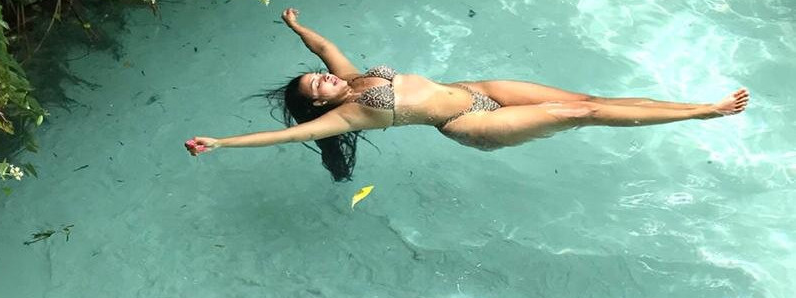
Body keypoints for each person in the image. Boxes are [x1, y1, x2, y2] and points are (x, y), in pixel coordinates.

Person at [185, 8, 749, 181]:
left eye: (320, 75)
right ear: (321, 107)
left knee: (587, 94)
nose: (326, 78)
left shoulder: (353, 78)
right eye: (318, 87)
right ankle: (702, 111)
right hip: (469, 125)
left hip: (476, 91)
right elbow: (285, 134)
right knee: (585, 112)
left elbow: (324, 48)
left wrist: (296, 28)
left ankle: (691, 105)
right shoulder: (349, 115)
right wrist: (222, 142)